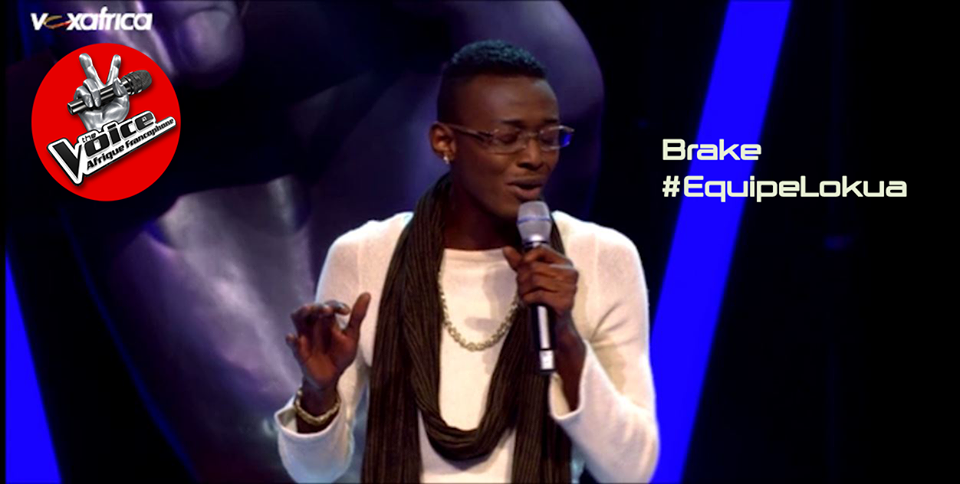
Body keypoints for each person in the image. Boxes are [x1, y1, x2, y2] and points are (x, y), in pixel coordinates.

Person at [275, 40, 658, 483]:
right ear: (445, 142)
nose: (534, 158)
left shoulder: (601, 257)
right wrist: (319, 392)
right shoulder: (365, 256)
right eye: (507, 138)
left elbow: (632, 471)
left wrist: (566, 339)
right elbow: (314, 474)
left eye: (549, 137)